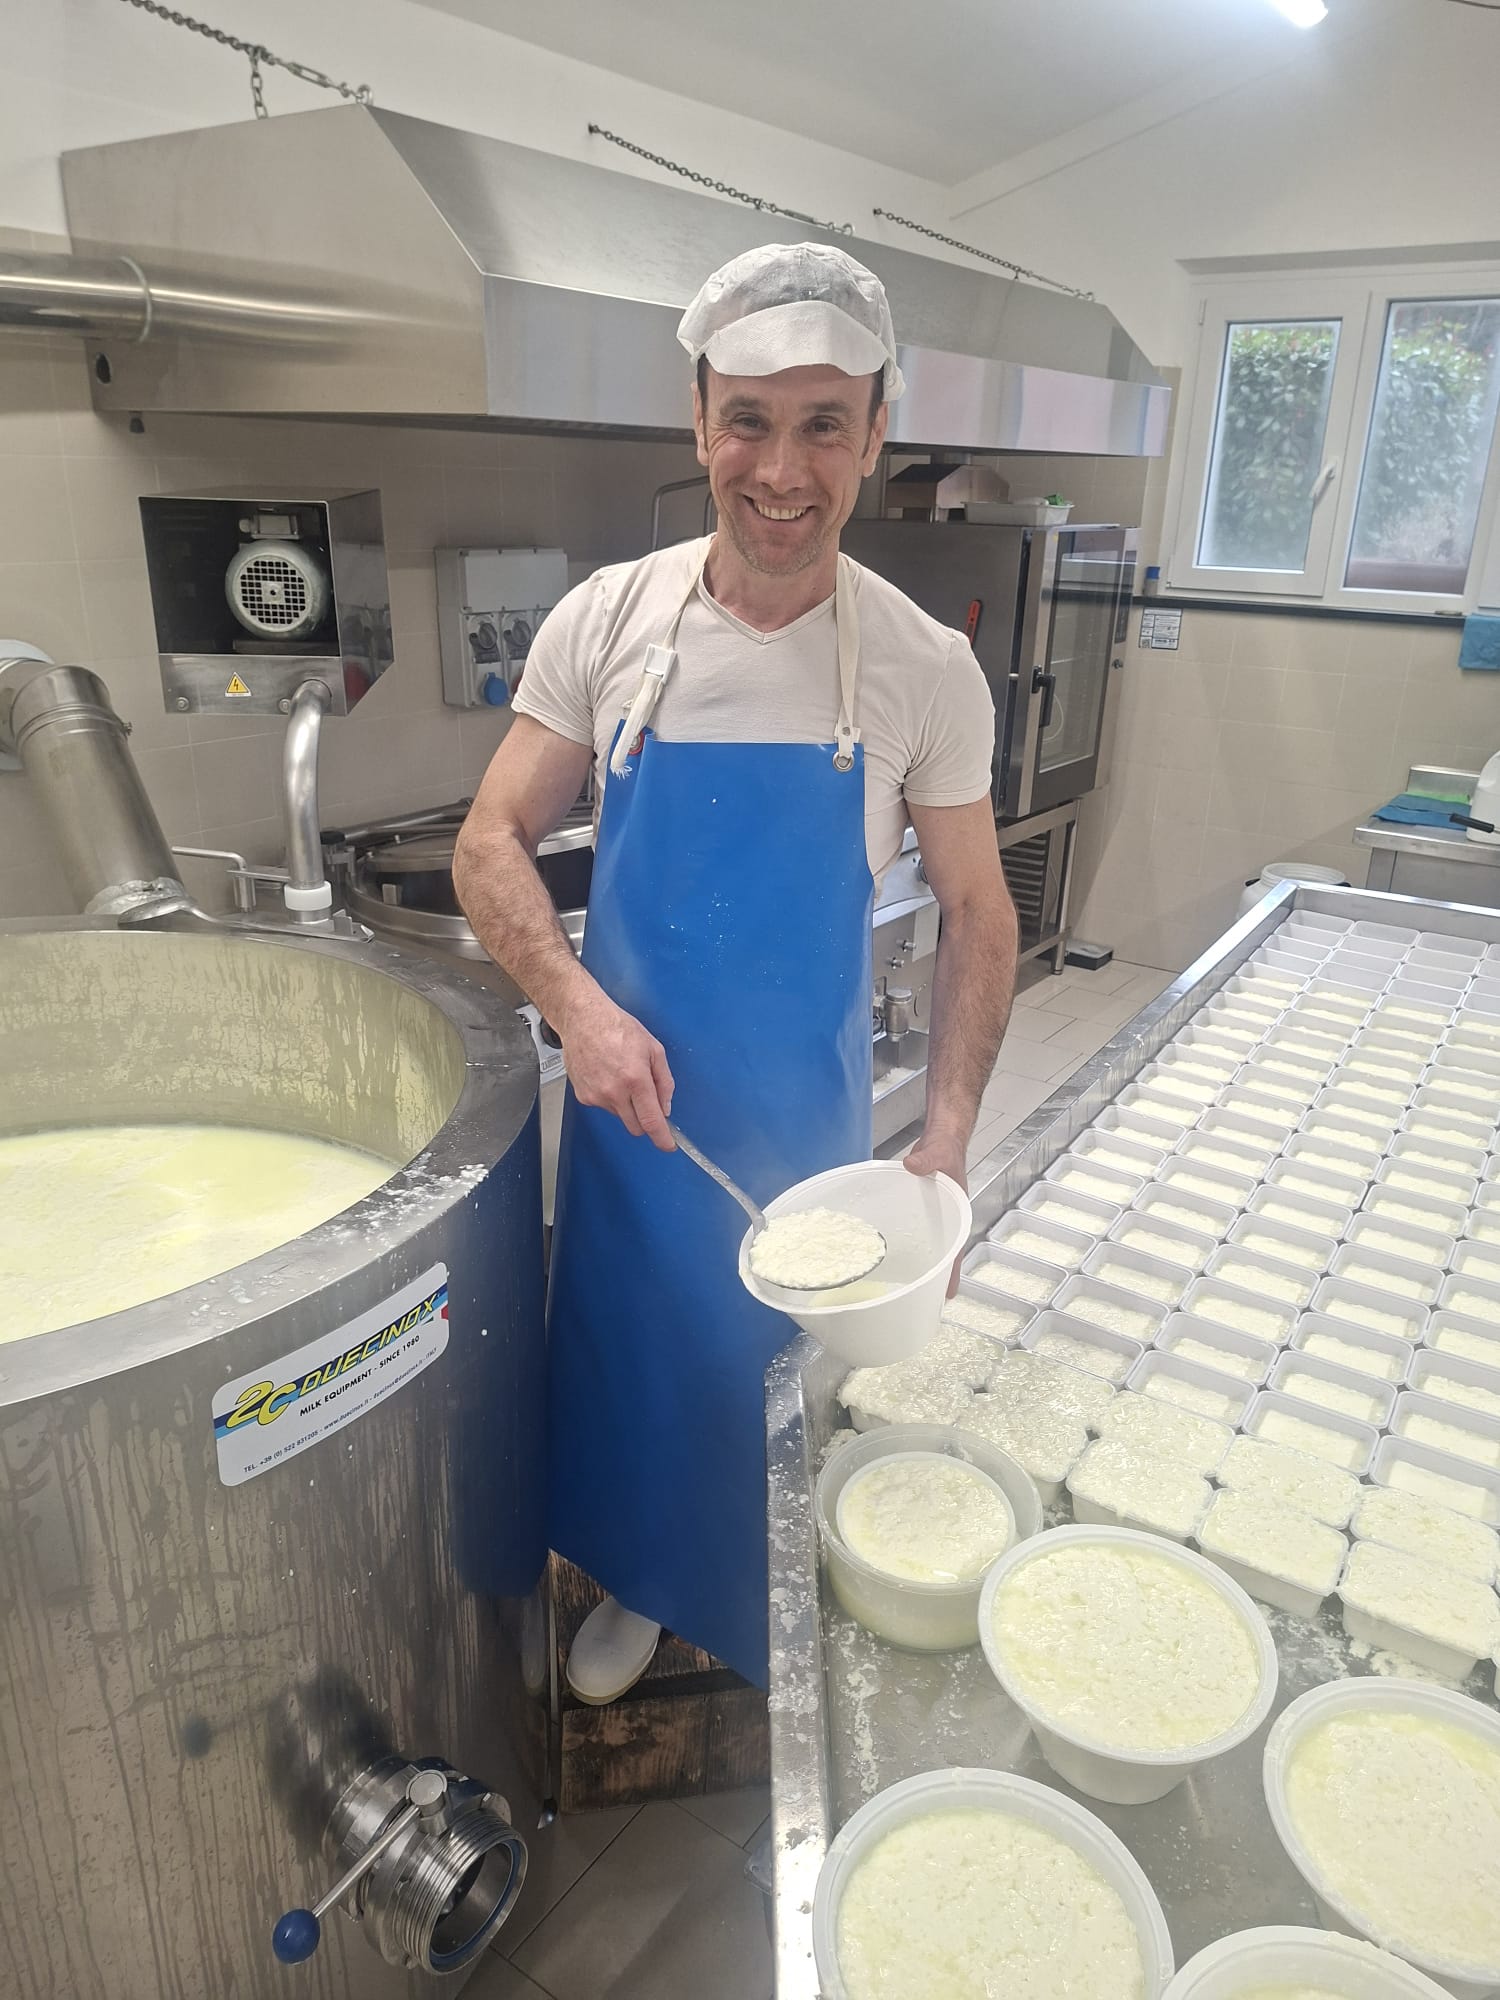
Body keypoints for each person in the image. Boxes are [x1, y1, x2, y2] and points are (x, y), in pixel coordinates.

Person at [453, 241, 1018, 1702]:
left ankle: (764, 1618)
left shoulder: (919, 668)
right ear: (698, 421)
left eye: (824, 424)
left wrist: (947, 1138)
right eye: (749, 422)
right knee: (631, 1373)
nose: (781, 469)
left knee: (767, 1391)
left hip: (803, 1140)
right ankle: (641, 1586)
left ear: (876, 434)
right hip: (629, 1123)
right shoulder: (609, 623)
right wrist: (576, 1010)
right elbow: (488, 843)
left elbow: (979, 908)